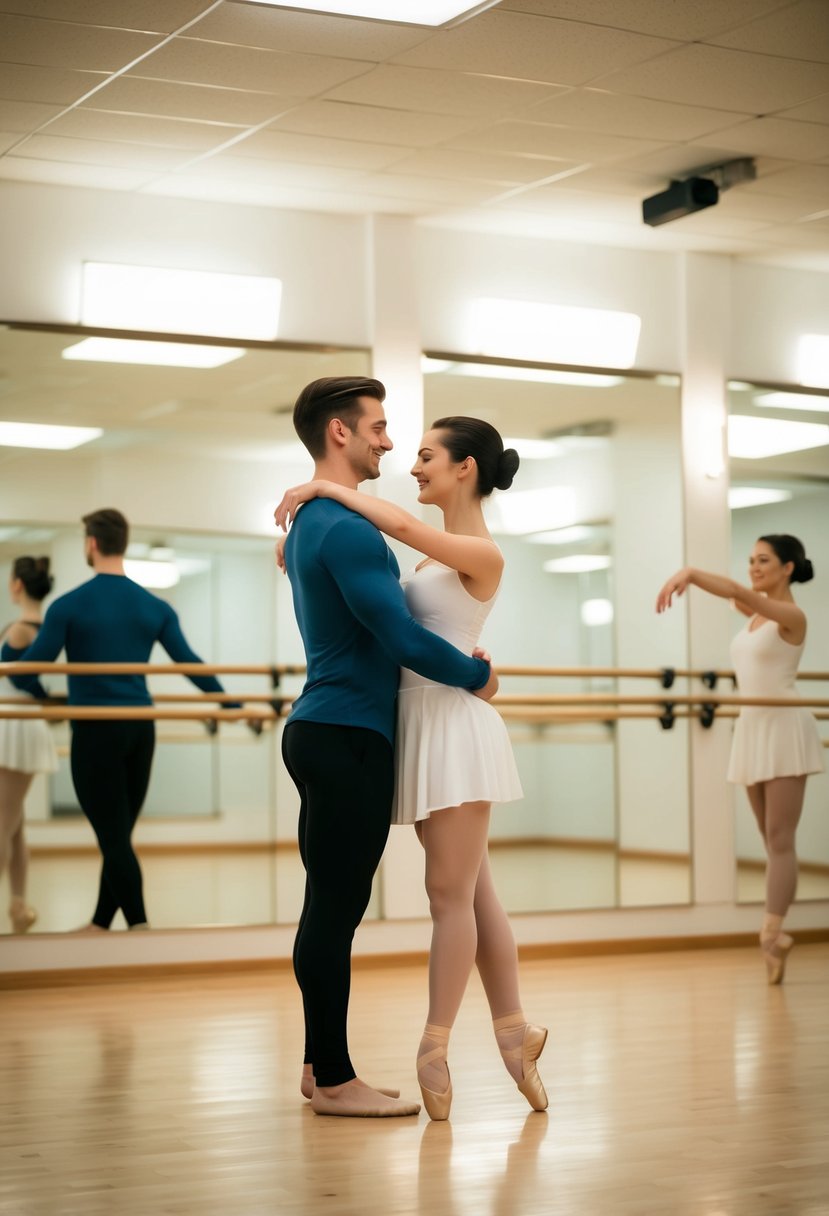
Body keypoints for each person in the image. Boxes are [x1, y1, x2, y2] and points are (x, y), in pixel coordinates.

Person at [276, 412, 548, 1122]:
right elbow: (379, 595)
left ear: (465, 468)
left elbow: (395, 526)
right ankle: (514, 1030)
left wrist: (321, 493)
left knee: (446, 893)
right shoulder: (428, 561)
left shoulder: (477, 550)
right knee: (475, 890)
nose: (412, 461)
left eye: (427, 454)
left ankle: (434, 1046)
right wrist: (310, 542)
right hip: (416, 722)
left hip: (454, 723)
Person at [2, 509, 239, 932]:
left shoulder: (68, 605)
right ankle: (99, 924)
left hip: (95, 732)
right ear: (122, 544)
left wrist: (27, 681)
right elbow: (188, 661)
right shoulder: (153, 606)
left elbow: (30, 668)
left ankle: (140, 931)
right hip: (139, 729)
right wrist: (228, 703)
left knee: (113, 840)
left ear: (91, 544)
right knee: (118, 838)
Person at [656, 534, 823, 984]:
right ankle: (776, 937)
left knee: (780, 837)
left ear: (788, 567)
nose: (754, 567)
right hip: (752, 726)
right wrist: (697, 579)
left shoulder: (790, 616)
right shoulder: (753, 617)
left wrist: (689, 573)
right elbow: (738, 597)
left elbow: (736, 592)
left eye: (763, 560)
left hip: (785, 727)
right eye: (750, 560)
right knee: (771, 842)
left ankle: (771, 935)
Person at [0, 557, 59, 933]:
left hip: (16, 727)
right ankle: (19, 907)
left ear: (17, 585)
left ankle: (18, 906)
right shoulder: (32, 627)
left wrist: (53, 702)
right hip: (14, 725)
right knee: (15, 825)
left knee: (4, 824)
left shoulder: (24, 630)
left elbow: (27, 682)